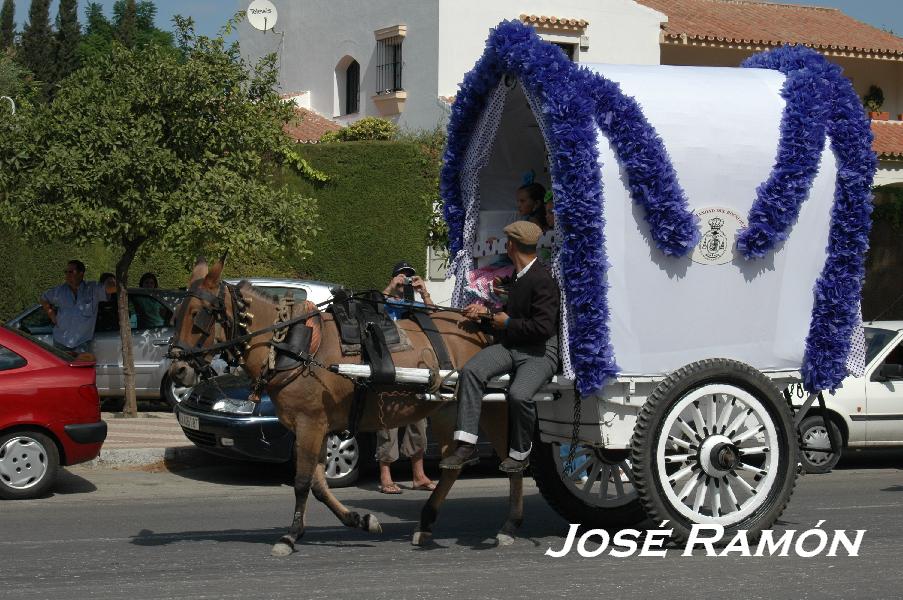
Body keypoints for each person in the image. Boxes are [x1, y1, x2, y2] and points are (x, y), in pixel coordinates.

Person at [440, 221, 560, 473]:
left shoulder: (542, 279)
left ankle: (520, 453)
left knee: (519, 394)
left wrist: (507, 322)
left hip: (539, 353)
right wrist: (484, 316)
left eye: (507, 242)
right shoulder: (519, 277)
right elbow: (508, 318)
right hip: (513, 345)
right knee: (471, 371)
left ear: (511, 245)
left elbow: (544, 327)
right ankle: (466, 444)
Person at [375, 261, 437, 494]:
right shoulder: (384, 302)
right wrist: (390, 287)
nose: (406, 281)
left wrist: (424, 292)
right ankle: (385, 477)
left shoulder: (416, 305)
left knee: (418, 422)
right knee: (388, 422)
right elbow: (370, 311)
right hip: (392, 368)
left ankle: (419, 476)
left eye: (410, 276)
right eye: (402, 276)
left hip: (417, 370)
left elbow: (435, 319)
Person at [40, 260, 117, 354]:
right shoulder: (59, 291)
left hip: (82, 344)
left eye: (71, 272)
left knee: (81, 369)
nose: (67, 275)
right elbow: (44, 298)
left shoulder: (92, 289)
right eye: (66, 272)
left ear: (81, 273)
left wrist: (109, 278)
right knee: (61, 369)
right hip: (60, 342)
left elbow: (112, 288)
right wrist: (51, 315)